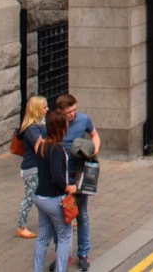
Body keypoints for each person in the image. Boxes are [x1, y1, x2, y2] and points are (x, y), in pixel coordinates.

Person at [58, 93, 101, 271]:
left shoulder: (83, 119)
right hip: (61, 176)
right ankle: (63, 256)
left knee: (82, 214)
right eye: (69, 111)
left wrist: (94, 150)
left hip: (78, 175)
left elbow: (95, 135)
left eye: (74, 110)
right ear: (60, 112)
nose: (73, 114)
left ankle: (83, 254)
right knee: (62, 218)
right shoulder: (55, 124)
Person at [32, 109, 75, 272]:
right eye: (65, 125)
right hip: (54, 200)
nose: (67, 127)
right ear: (60, 128)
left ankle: (36, 269)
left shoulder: (42, 145)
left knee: (43, 237)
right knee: (65, 237)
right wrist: (69, 187)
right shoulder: (57, 149)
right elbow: (58, 179)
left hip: (40, 198)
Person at [16, 95, 49, 238]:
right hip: (32, 168)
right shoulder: (31, 129)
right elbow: (39, 147)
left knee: (42, 194)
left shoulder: (41, 124)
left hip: (38, 167)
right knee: (30, 196)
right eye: (44, 107)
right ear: (36, 110)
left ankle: (56, 218)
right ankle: (21, 226)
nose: (47, 109)